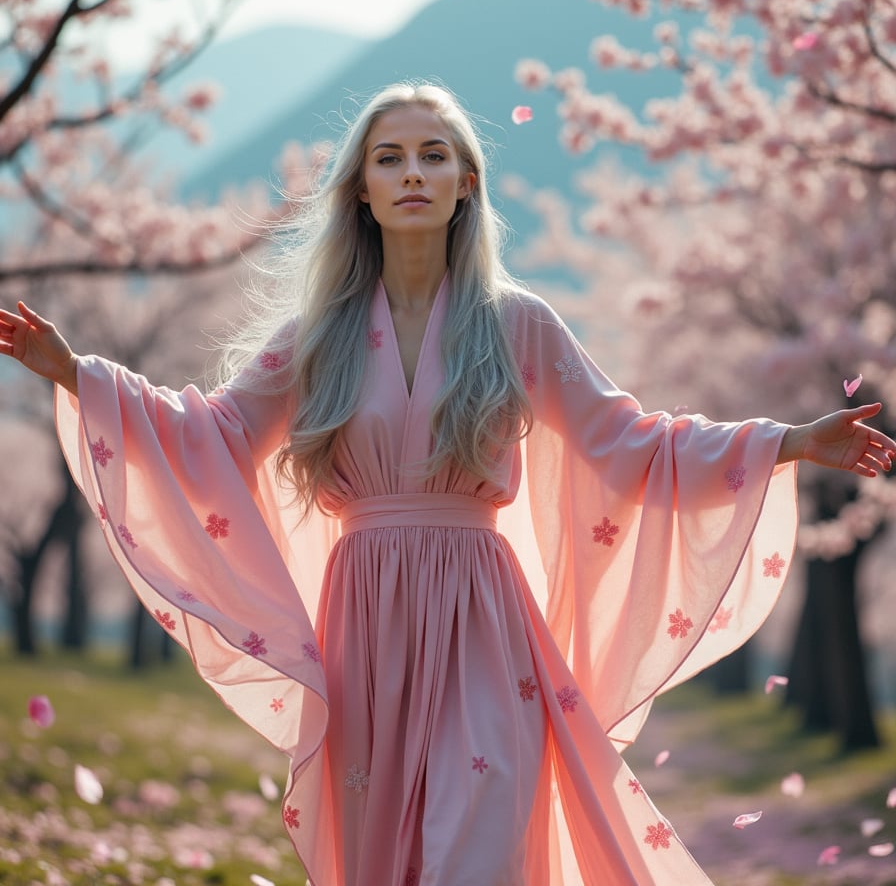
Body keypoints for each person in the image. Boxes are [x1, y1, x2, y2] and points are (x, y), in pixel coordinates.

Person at [1, 82, 894, 886]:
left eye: (435, 156)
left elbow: (632, 443)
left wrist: (788, 442)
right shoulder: (318, 336)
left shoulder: (518, 324)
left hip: (484, 623)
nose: (413, 173)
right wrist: (76, 374)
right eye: (389, 158)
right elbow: (216, 435)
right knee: (384, 858)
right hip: (366, 629)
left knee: (481, 847)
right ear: (361, 189)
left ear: (468, 181)